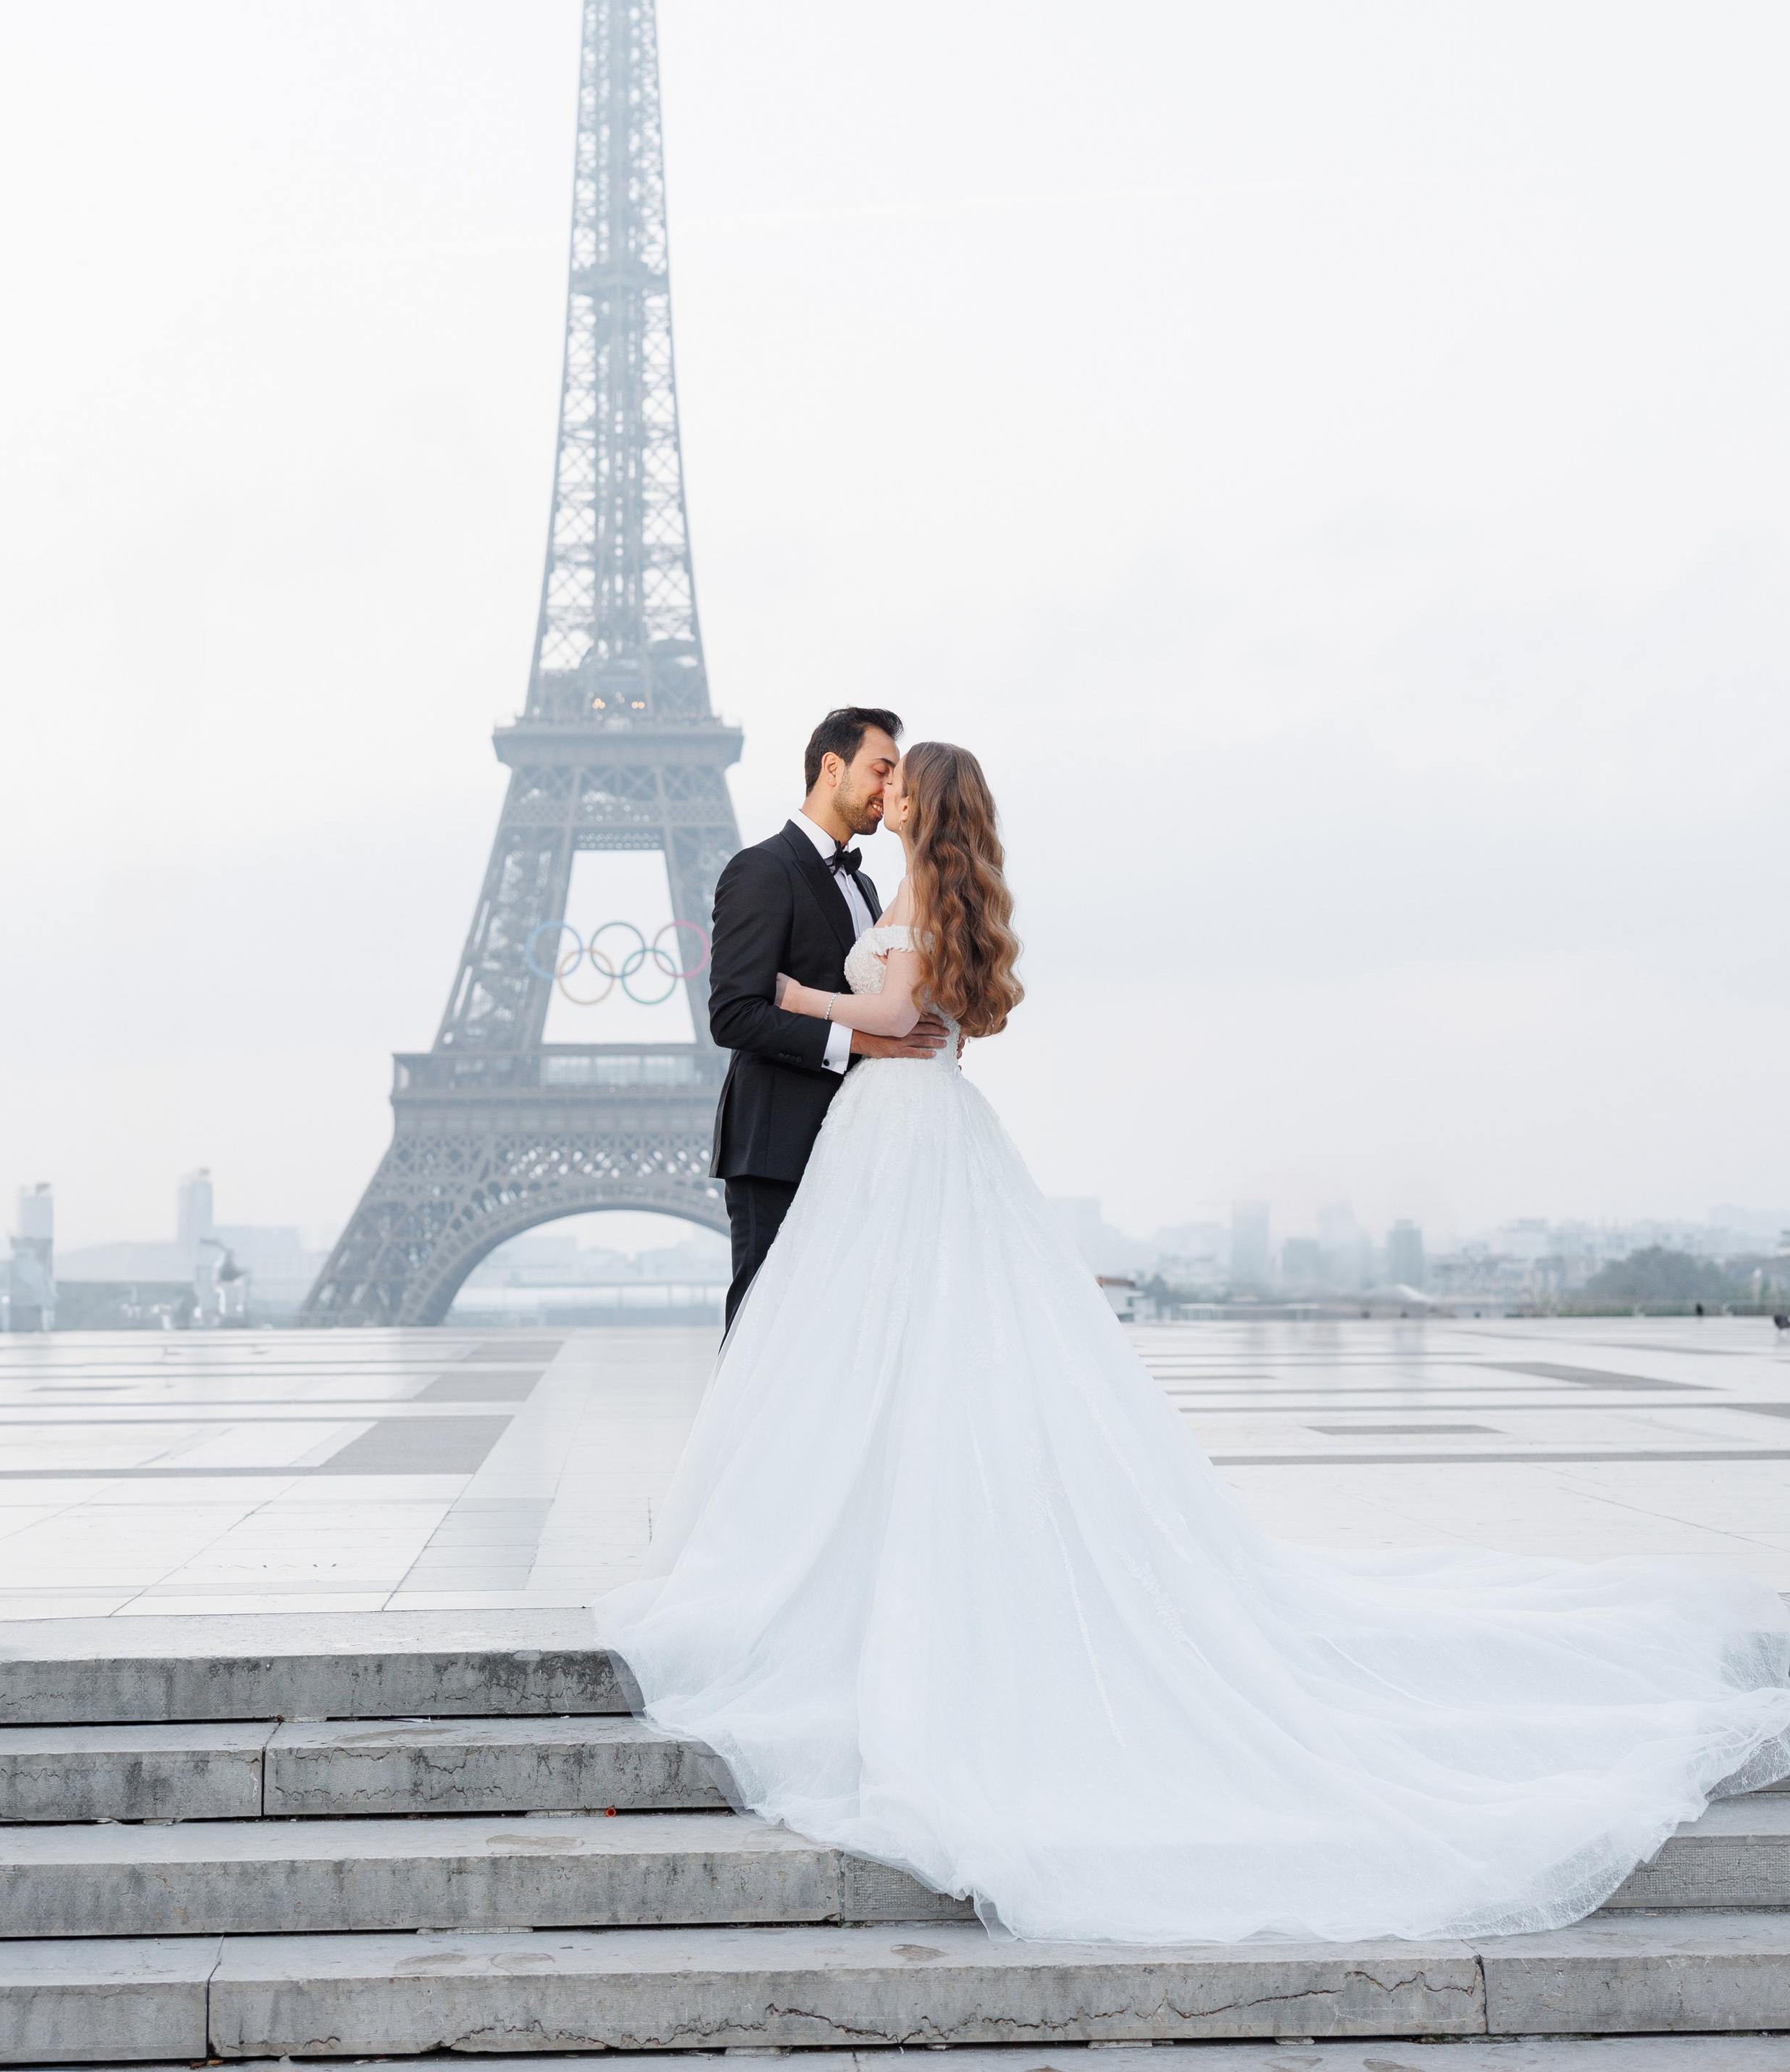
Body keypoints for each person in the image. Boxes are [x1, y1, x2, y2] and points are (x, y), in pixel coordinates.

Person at [601, 741, 1790, 1947]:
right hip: (907, 1133)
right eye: (882, 765)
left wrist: (809, 1000)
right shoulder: (905, 883)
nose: (889, 781)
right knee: (909, 1355)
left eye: (904, 774)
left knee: (883, 1353)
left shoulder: (900, 888)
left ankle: (865, 1540)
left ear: (924, 803)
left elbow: (901, 1014)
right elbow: (912, 1013)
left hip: (898, 1134)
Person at [706, 707, 946, 1331]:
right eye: (881, 769)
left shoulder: (868, 889)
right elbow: (734, 1016)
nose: (890, 787)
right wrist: (868, 1041)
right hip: (778, 1143)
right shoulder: (761, 869)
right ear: (831, 767)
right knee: (763, 1331)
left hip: (858, 1140)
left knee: (834, 1340)